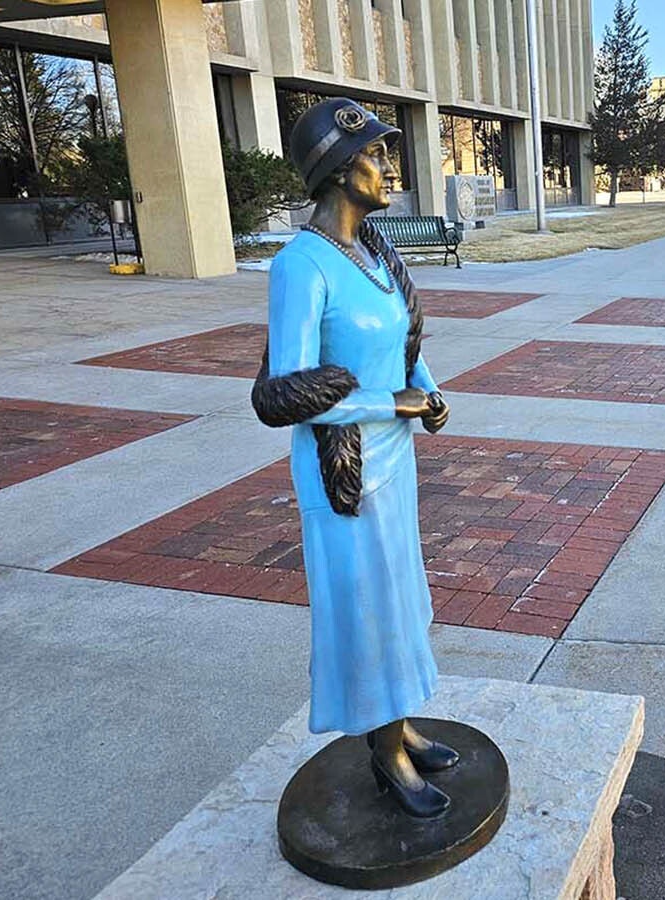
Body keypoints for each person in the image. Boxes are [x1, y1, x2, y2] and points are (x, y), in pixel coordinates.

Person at [252, 98, 455, 819]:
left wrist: (427, 392)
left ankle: (402, 724)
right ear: (339, 172)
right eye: (374, 155)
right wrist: (389, 404)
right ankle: (385, 754)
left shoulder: (373, 252)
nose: (386, 167)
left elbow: (404, 345)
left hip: (395, 462)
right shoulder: (300, 268)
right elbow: (290, 394)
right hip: (345, 473)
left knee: (400, 600)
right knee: (362, 610)